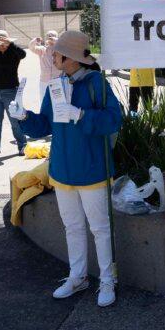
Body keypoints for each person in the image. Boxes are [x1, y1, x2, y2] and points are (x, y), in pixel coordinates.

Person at [14, 30, 123, 307]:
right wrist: (24, 117)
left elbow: (113, 120)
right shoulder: (56, 84)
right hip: (61, 169)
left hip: (92, 168)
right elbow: (44, 126)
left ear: (71, 57)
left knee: (100, 228)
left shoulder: (97, 83)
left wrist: (82, 115)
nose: (52, 54)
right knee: (72, 227)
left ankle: (108, 280)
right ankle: (78, 277)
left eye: (57, 52)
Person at [0, 29, 29, 158]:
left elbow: (23, 54)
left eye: (4, 42)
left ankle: (23, 145)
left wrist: (11, 45)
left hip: (11, 90)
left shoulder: (14, 52)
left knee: (15, 120)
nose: (2, 45)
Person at [30, 30, 61, 103]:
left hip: (58, 80)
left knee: (58, 102)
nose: (50, 38)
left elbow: (63, 44)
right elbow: (31, 47)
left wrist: (55, 41)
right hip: (44, 81)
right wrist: (35, 40)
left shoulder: (60, 50)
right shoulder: (42, 49)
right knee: (44, 102)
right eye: (49, 36)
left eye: (52, 36)